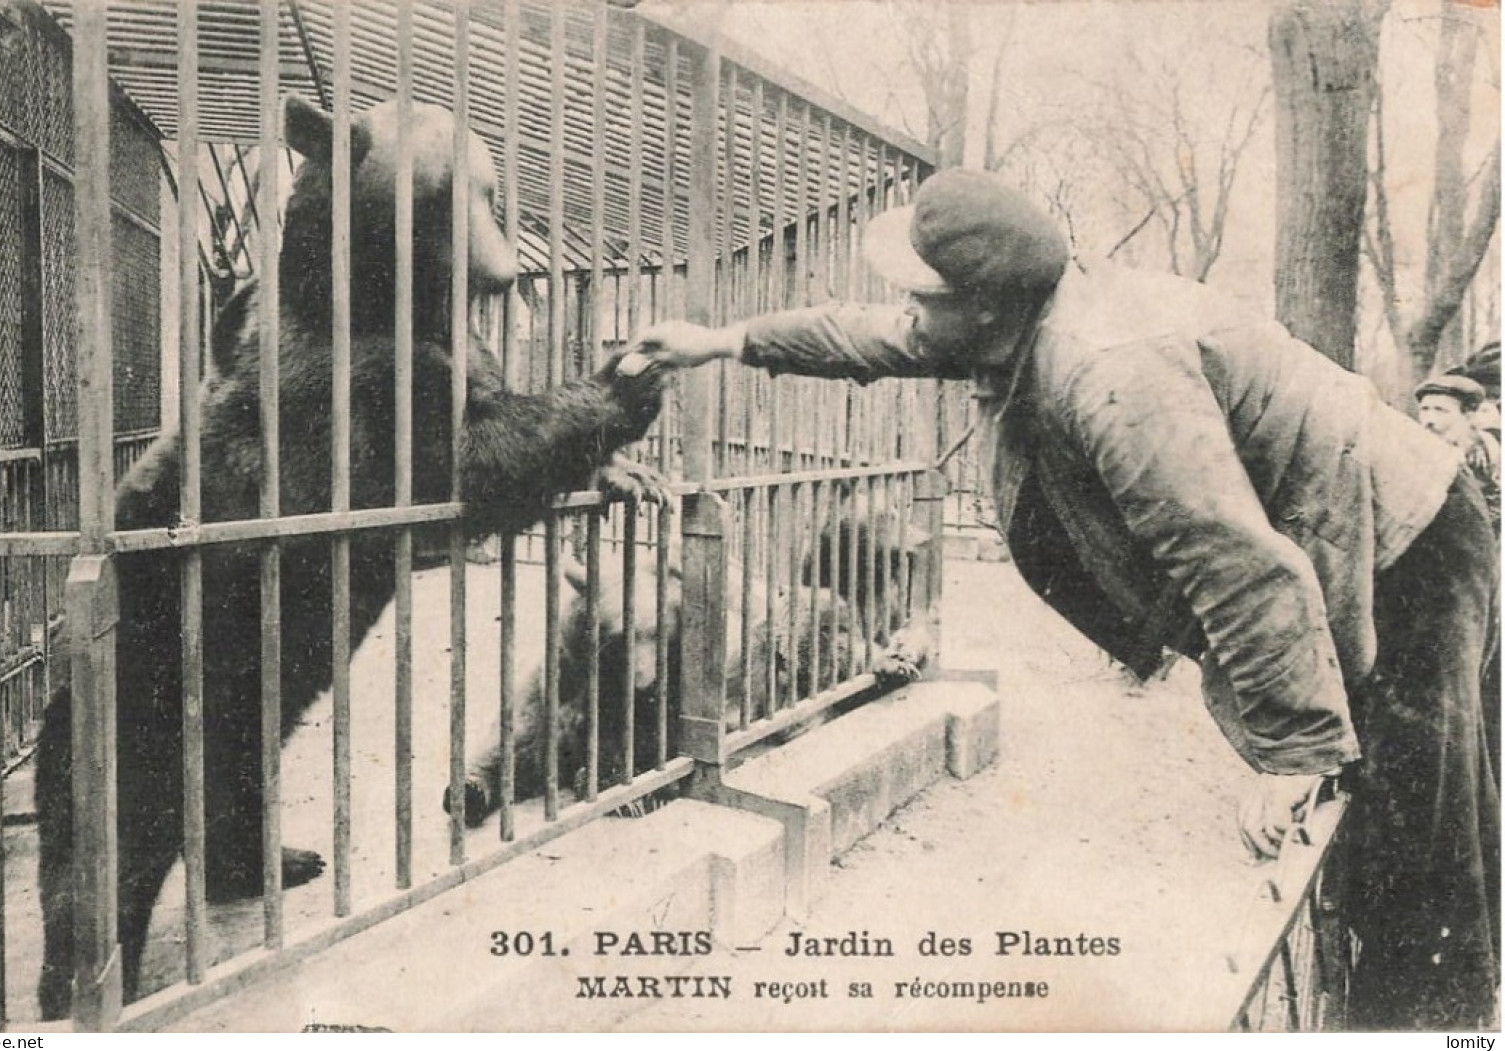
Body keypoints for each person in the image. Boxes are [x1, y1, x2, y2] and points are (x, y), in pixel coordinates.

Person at [626, 169, 1500, 1030]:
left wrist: (1293, 752)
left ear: (981, 305)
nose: (912, 315)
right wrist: (725, 341)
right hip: (1349, 537)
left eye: (924, 296)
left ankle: (1436, 1022)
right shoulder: (1017, 312)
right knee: (1407, 822)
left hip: (1408, 546)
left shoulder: (1114, 374)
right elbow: (877, 336)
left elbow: (1233, 561)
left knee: (1415, 842)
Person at [1417, 373, 1501, 527]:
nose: (1429, 420)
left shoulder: (1488, 450)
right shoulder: (1414, 452)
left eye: (1440, 410)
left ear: (1468, 416)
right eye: (1424, 409)